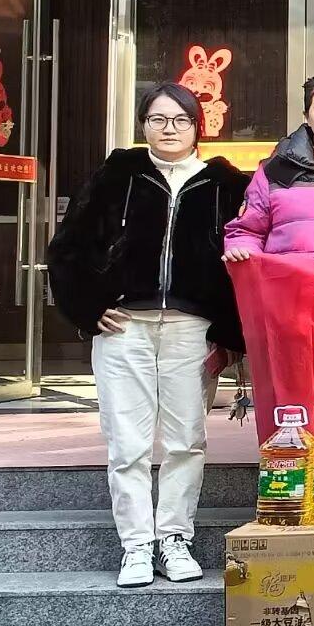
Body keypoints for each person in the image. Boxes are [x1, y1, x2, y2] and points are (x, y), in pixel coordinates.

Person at [47, 85, 248, 589]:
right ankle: (136, 545)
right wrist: (88, 307)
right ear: (143, 125)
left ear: (199, 126)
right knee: (127, 443)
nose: (169, 129)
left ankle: (174, 538)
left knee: (186, 440)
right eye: (158, 119)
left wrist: (227, 330)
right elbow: (68, 247)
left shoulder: (225, 183)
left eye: (181, 119)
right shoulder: (118, 174)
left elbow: (244, 257)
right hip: (124, 329)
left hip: (191, 330)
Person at [222, 73, 314, 264]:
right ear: (307, 116)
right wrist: (242, 250)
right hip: (286, 280)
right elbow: (247, 231)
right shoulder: (277, 167)